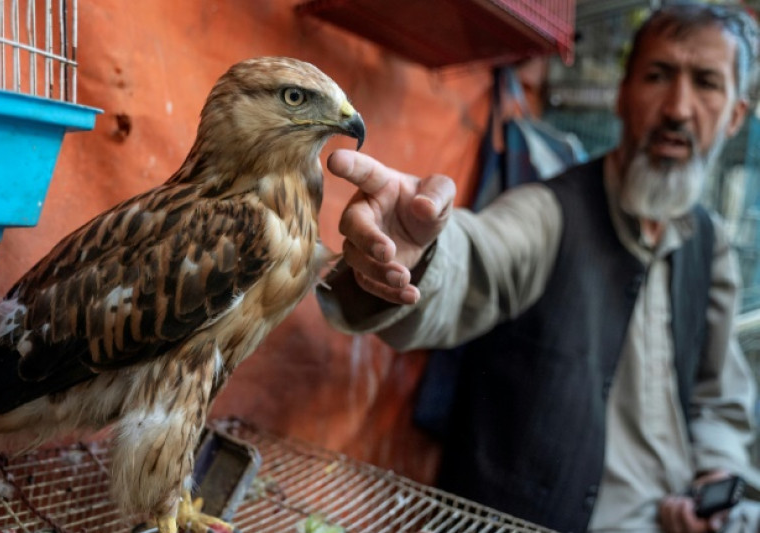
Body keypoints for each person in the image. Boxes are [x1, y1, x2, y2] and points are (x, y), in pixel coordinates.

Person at [316, 3, 760, 532]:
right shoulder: (552, 214)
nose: (679, 109)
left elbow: (719, 393)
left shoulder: (708, 245)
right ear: (622, 94)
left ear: (735, 114)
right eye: (658, 76)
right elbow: (477, 256)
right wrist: (417, 254)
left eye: (707, 83)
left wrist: (716, 474)